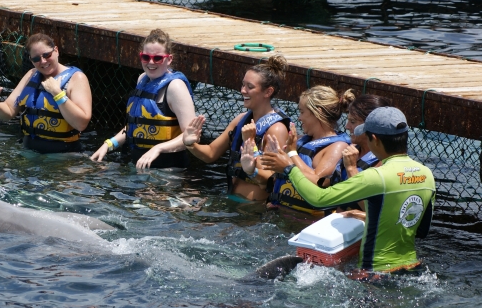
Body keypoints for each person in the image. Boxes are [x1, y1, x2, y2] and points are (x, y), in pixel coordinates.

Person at [259, 107, 436, 275]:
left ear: (374, 139)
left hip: (375, 273)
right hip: (412, 267)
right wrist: (371, 216)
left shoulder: (376, 176)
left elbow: (318, 199)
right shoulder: (426, 174)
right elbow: (420, 230)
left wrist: (289, 169)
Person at [182, 54, 290, 200]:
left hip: (254, 208)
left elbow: (271, 180)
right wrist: (190, 144)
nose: (243, 90)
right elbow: (211, 154)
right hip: (231, 201)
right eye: (243, 85)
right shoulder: (240, 120)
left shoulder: (276, 129)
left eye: (250, 87)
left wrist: (251, 148)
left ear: (268, 92)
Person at [90, 29, 196, 169]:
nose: (151, 62)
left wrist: (158, 148)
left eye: (157, 58)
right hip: (138, 166)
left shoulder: (175, 87)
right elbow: (138, 125)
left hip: (169, 170)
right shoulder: (142, 79)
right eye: (146, 57)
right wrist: (109, 144)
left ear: (169, 59)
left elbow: (192, 136)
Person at [0, 33, 92, 153]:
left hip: (63, 155)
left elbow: (81, 124)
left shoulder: (76, 78)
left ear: (56, 51)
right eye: (36, 59)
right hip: (29, 152)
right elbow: (8, 111)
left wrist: (57, 93)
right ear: (31, 60)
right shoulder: (31, 75)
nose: (43, 61)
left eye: (47, 55)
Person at [259, 86, 353, 216]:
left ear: (317, 113)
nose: (299, 118)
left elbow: (317, 183)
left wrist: (292, 154)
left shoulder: (337, 147)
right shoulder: (300, 140)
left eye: (302, 112)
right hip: (280, 214)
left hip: (308, 221)